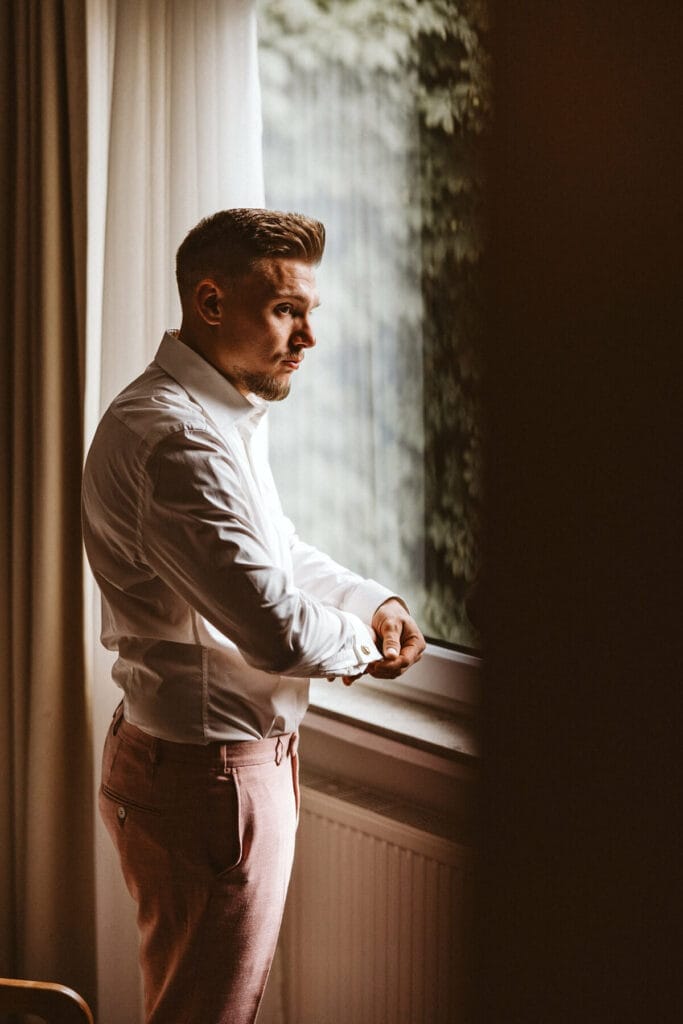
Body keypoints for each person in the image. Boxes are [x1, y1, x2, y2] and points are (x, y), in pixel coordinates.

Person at [82, 208, 425, 1024]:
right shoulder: (177, 440)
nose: (307, 337)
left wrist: (373, 601)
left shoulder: (215, 414)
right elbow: (271, 630)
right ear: (209, 301)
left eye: (310, 312)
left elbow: (275, 552)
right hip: (211, 777)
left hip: (210, 767)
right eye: (285, 311)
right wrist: (367, 647)